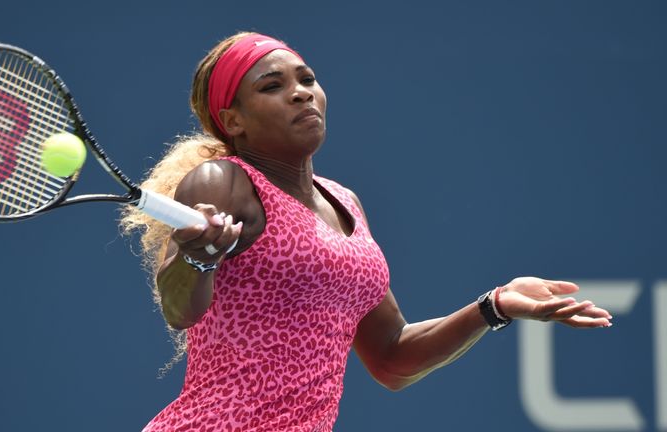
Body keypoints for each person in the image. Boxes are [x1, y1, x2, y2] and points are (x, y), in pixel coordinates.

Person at [121, 31, 613, 432]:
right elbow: (178, 307)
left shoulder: (344, 201)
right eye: (271, 86)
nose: (300, 92)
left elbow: (392, 358)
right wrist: (198, 257)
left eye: (307, 79)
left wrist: (496, 305)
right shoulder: (223, 182)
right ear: (234, 121)